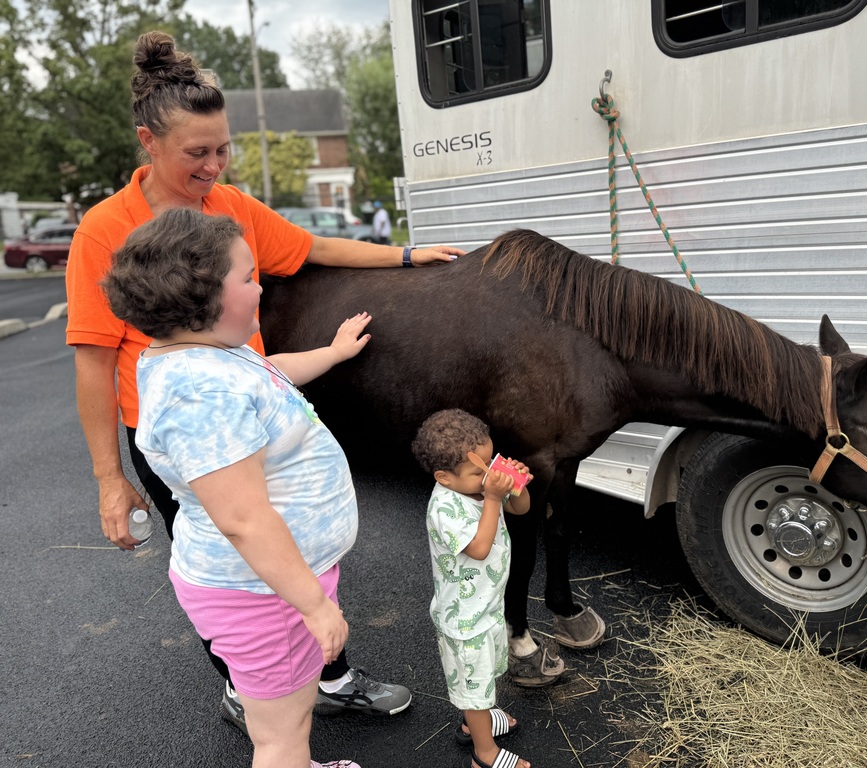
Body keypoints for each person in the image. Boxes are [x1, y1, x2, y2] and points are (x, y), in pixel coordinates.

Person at [65, 30, 464, 735]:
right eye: (198, 153)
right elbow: (93, 357)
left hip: (254, 405)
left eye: (223, 149)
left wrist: (404, 256)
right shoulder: (106, 229)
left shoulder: (230, 205)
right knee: (235, 557)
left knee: (286, 549)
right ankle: (254, 689)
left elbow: (306, 248)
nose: (215, 166)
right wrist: (108, 475)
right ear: (148, 143)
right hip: (190, 434)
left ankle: (323, 677)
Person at [103, 208, 366, 768]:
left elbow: (271, 374)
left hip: (278, 581)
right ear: (202, 299)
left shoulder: (214, 354)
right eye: (247, 279)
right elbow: (243, 518)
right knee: (281, 736)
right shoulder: (201, 394)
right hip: (263, 594)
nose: (260, 285)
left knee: (289, 722)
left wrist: (334, 354)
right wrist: (314, 606)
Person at [411, 410, 533, 768]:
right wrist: (494, 497)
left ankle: (473, 722)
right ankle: (484, 753)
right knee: (474, 685)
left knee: (485, 676)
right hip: (465, 622)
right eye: (479, 472)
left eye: (491, 462)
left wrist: (515, 485)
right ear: (444, 478)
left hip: (487, 606)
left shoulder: (480, 487)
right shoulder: (444, 508)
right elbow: (479, 548)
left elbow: (522, 510)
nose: (489, 475)